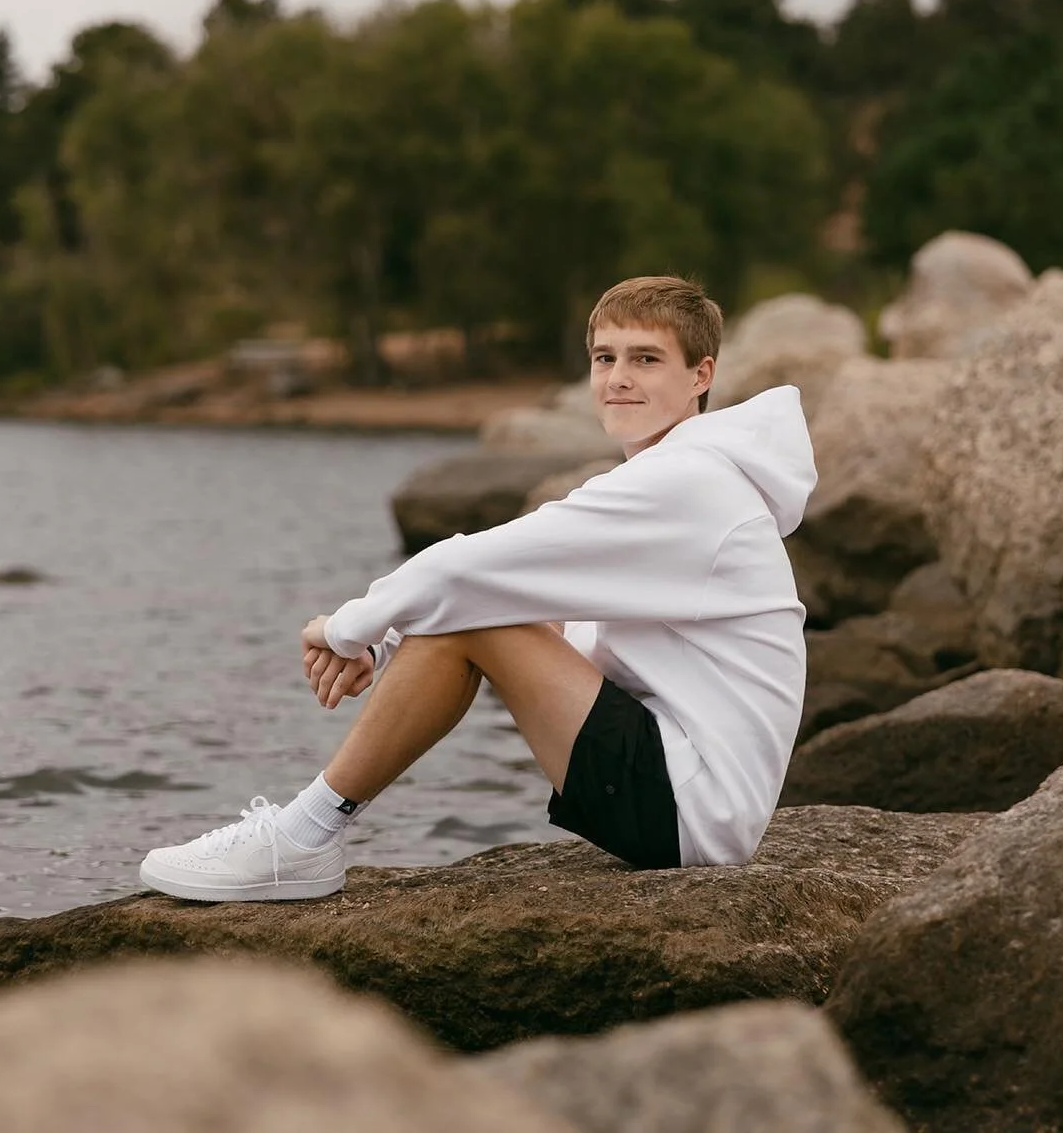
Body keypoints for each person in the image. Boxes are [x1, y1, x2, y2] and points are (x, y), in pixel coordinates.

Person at [139, 275, 817, 900]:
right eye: (604, 357)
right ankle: (301, 836)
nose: (617, 378)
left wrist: (347, 628)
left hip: (690, 810)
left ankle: (302, 837)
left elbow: (464, 568)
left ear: (702, 375)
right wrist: (388, 645)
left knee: (478, 621)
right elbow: (511, 588)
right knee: (498, 613)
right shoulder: (681, 477)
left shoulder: (686, 483)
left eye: (645, 359)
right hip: (690, 797)